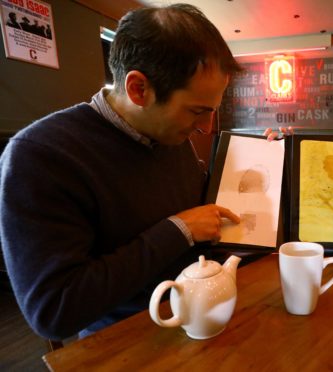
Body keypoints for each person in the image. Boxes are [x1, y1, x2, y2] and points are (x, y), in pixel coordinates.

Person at [0, 3, 246, 340]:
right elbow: (54, 311)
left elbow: (204, 211)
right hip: (125, 338)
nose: (205, 127)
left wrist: (265, 160)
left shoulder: (171, 137)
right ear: (138, 89)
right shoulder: (41, 156)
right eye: (197, 111)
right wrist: (178, 230)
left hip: (200, 313)